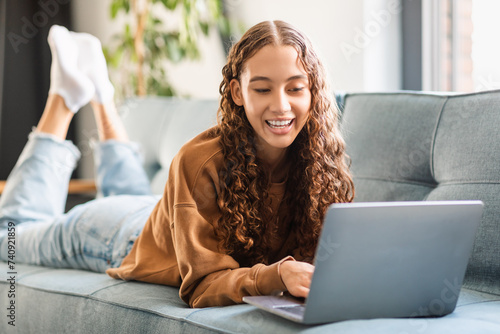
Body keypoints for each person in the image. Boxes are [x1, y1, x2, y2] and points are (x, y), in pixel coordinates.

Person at [0, 20, 354, 308]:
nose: (281, 106)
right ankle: (63, 97)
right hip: (116, 234)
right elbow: (201, 286)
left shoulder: (320, 160)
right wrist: (274, 276)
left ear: (312, 92)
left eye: (295, 88)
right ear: (236, 92)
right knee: (9, 238)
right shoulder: (200, 160)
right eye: (262, 89)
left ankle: (102, 97)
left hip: (167, 217)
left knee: (135, 197)